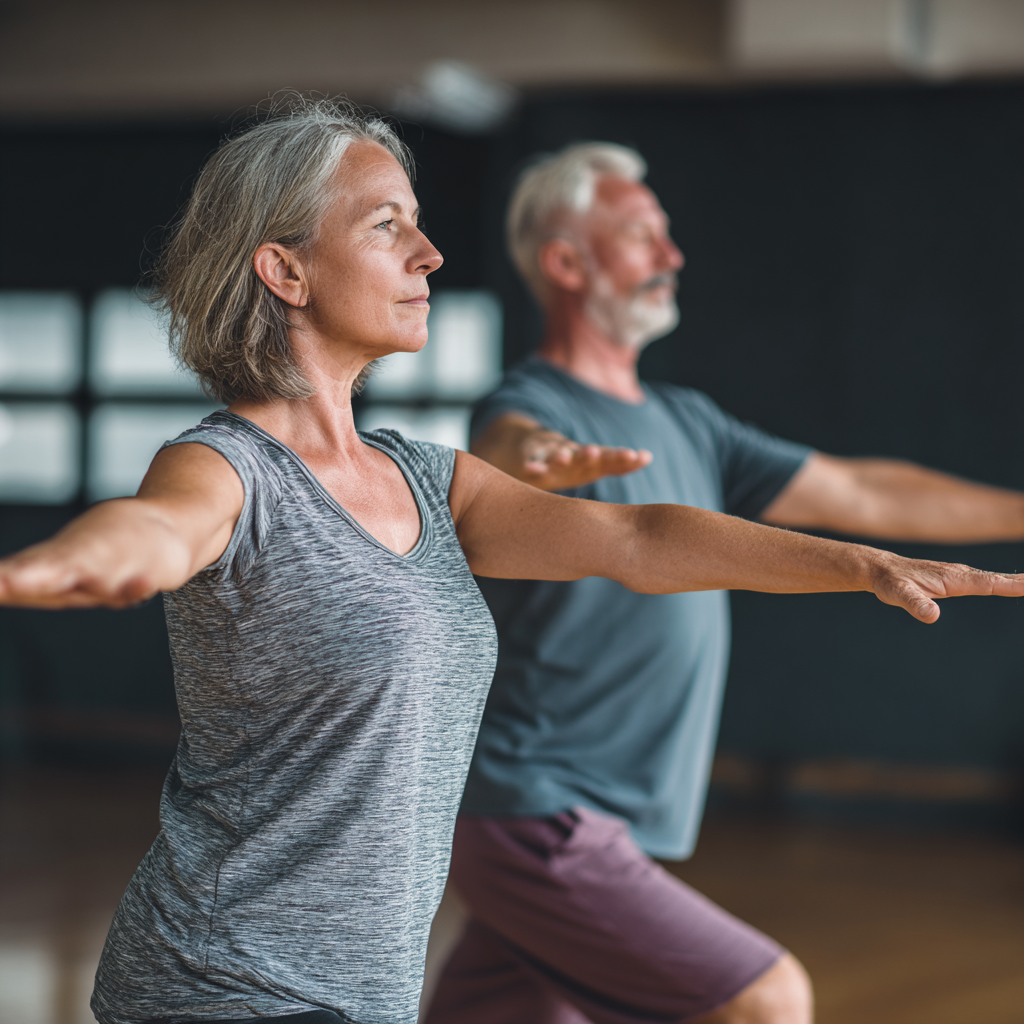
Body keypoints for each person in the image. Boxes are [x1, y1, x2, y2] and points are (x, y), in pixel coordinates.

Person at [0, 106, 1017, 1024]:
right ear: (285, 270)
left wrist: (864, 566)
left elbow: (639, 540)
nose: (431, 253)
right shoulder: (225, 466)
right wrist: (66, 566)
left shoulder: (427, 479)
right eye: (386, 226)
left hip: (363, 989)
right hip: (223, 980)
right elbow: (159, 526)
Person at [425, 143, 1024, 1024]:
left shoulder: (689, 423)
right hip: (535, 811)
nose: (670, 257)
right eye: (639, 236)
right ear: (565, 262)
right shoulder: (531, 404)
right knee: (766, 999)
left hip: (599, 817)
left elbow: (862, 489)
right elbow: (509, 448)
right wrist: (537, 461)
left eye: (666, 236)